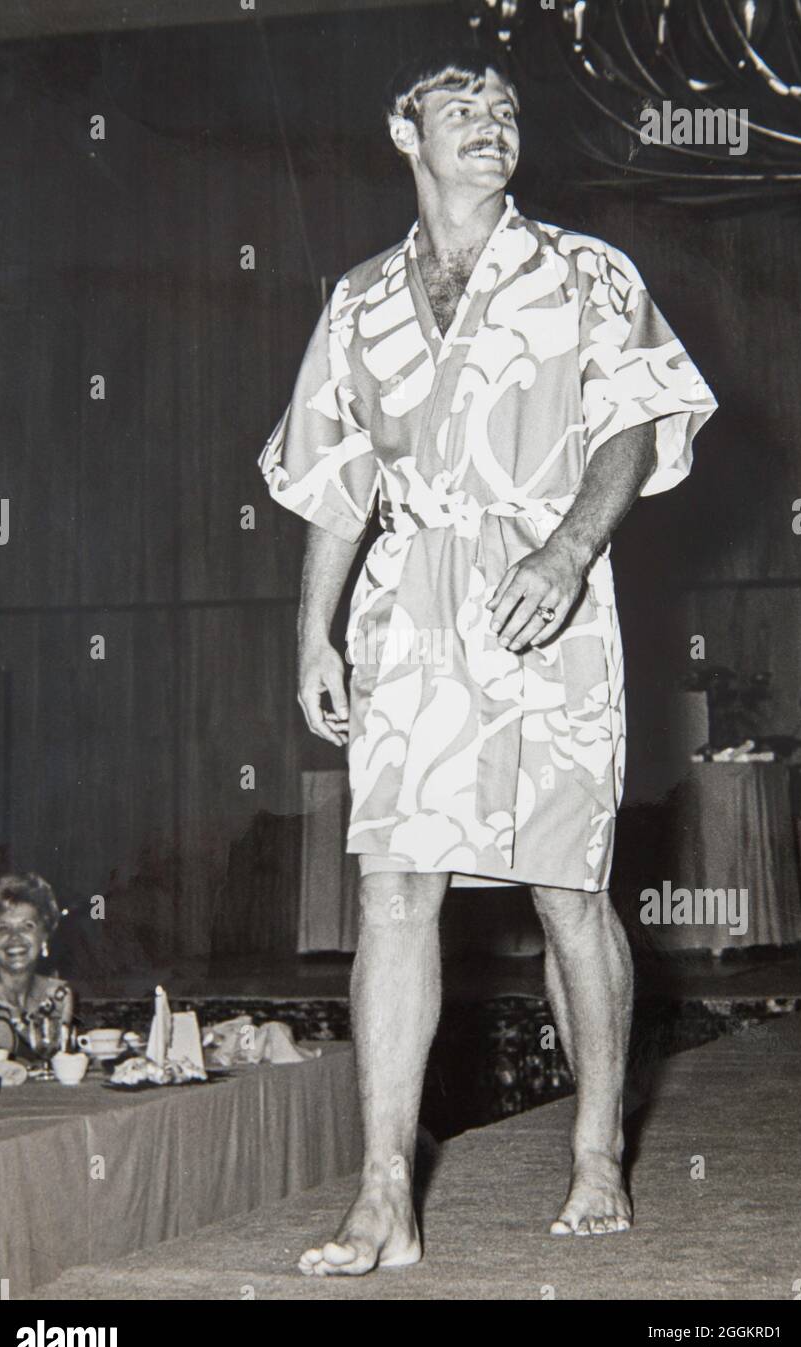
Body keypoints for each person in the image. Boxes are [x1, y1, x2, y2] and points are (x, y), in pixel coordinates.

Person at [258, 43, 717, 1274]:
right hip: (406, 610)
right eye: (461, 108)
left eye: (505, 109)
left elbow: (630, 421)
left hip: (543, 601)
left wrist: (567, 554)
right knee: (394, 885)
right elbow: (335, 490)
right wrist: (312, 634)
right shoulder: (355, 300)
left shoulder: (582, 273)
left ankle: (594, 1154)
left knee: (565, 886)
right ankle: (383, 1197)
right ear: (405, 135)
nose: (490, 123)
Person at [0, 871, 74, 1058]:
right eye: (3, 928)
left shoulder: (58, 996)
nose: (15, 937)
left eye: (27, 926)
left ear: (44, 937)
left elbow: (59, 1066)